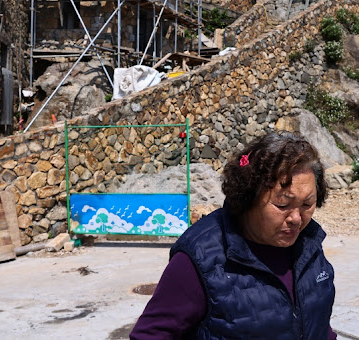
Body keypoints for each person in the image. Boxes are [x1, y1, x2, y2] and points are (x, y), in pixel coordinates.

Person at [131, 131, 337, 339]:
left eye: (307, 204)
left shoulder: (308, 244)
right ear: (249, 196)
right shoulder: (200, 259)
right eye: (282, 204)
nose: (296, 218)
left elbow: (317, 323)